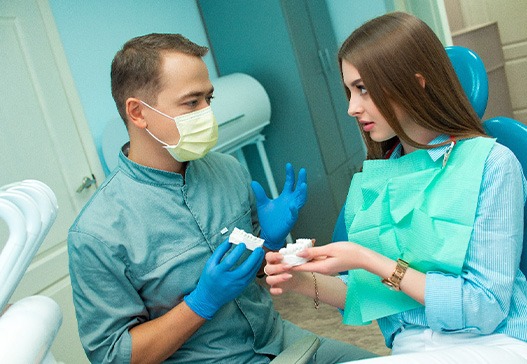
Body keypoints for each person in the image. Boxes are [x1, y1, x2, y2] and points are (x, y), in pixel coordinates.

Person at [68, 33, 376, 363]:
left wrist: (270, 244)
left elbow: (256, 270)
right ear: (138, 113)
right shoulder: (97, 234)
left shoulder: (227, 170)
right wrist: (200, 303)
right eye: (191, 102)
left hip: (280, 340)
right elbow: (113, 356)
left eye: (208, 100)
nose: (207, 113)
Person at [263, 12, 527, 363]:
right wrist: (299, 279)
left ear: (417, 83)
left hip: (493, 343)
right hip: (412, 348)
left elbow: (483, 308)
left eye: (364, 89)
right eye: (349, 91)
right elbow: (371, 293)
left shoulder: (492, 163)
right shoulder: (378, 176)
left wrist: (369, 259)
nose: (352, 108)